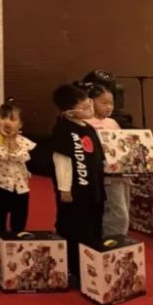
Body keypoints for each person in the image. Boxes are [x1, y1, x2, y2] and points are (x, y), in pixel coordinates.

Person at [51, 83, 104, 284]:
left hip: (93, 189)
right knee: (74, 227)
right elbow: (61, 160)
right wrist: (64, 188)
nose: (89, 109)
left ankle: (92, 266)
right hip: (74, 191)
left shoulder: (88, 128)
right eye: (84, 107)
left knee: (94, 225)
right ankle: (73, 267)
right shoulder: (63, 130)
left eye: (89, 105)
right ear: (69, 111)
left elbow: (98, 158)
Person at [85, 83, 130, 238]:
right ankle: (113, 240)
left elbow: (122, 148)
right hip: (103, 173)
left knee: (123, 207)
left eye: (111, 103)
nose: (109, 107)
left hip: (119, 173)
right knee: (117, 211)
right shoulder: (87, 124)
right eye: (103, 103)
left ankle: (118, 238)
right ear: (91, 102)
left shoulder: (113, 123)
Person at [0, 102, 35, 234]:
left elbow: (21, 157)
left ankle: (17, 239)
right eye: (3, 118)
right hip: (0, 184)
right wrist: (6, 138)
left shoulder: (24, 142)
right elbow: (3, 155)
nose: (7, 122)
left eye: (12, 119)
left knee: (19, 219)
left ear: (20, 124)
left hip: (20, 186)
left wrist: (12, 139)